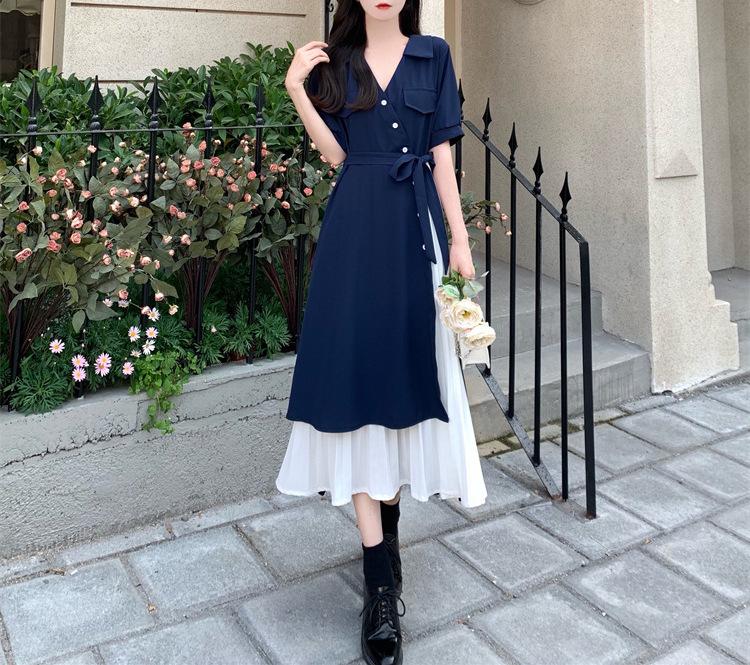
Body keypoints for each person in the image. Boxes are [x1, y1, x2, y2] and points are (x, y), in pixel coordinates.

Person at [277, 1, 488, 662]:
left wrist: (459, 239)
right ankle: (378, 583)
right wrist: (296, 89)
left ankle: (388, 527)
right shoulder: (338, 63)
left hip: (414, 234)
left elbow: (441, 154)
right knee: (358, 385)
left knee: (406, 377)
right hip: (354, 236)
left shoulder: (433, 56)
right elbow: (336, 153)